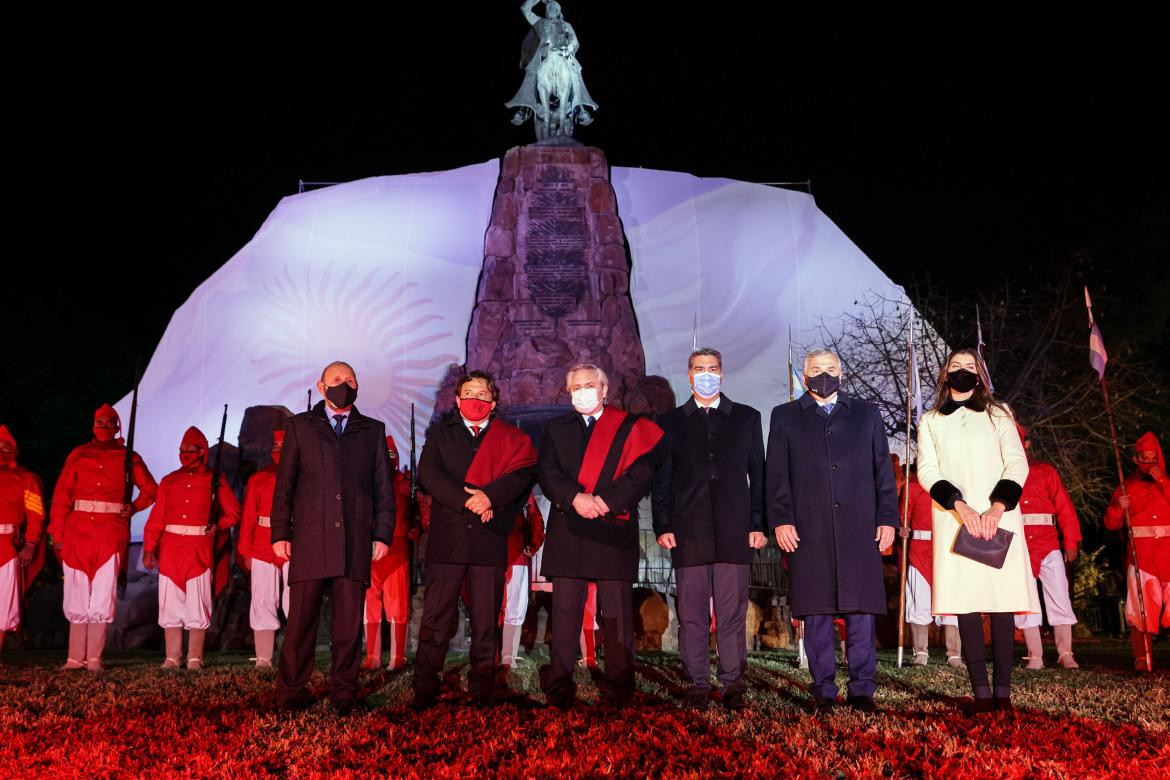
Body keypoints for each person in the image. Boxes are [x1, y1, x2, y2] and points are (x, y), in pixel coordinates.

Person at [766, 349, 898, 714]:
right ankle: (823, 690)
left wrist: (888, 518)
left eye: (831, 369)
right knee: (817, 614)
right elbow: (776, 475)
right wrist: (781, 518)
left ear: (842, 373)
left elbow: (882, 473)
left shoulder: (866, 415)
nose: (824, 375)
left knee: (860, 615)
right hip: (809, 531)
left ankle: (862, 691)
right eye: (816, 370)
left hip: (860, 530)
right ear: (804, 376)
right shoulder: (785, 416)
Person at [916, 348, 1038, 713]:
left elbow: (1016, 461)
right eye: (956, 366)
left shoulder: (999, 414)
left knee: (1001, 605)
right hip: (957, 519)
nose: (964, 372)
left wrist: (998, 506)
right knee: (966, 604)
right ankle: (981, 694)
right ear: (944, 375)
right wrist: (960, 505)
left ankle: (1003, 692)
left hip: (999, 516)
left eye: (971, 367)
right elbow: (928, 470)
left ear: (980, 376)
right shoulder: (931, 420)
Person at [270, 361, 396, 714]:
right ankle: (291, 692)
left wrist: (382, 533)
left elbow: (383, 490)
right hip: (310, 538)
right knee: (301, 623)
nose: (344, 385)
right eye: (337, 380)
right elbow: (285, 487)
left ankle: (344, 694)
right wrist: (280, 532)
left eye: (350, 380)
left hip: (354, 540)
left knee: (347, 626)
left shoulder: (372, 430)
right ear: (321, 386)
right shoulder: (300, 427)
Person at [538, 363, 664, 709]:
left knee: (617, 617)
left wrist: (606, 502)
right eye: (576, 386)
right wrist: (575, 498)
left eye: (589, 385)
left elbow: (642, 473)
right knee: (564, 616)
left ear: (605, 389)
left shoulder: (628, 427)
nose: (582, 390)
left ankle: (619, 687)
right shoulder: (555, 428)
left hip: (613, 527)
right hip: (570, 528)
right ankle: (559, 687)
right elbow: (547, 473)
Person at [412, 371, 538, 709]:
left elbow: (523, 475)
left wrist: (491, 498)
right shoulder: (440, 435)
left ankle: (482, 685)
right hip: (448, 540)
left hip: (489, 538)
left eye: (483, 394)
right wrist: (470, 499)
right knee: (436, 617)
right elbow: (428, 476)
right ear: (457, 400)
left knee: (486, 618)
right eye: (469, 392)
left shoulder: (510, 438)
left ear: (493, 402)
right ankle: (425, 684)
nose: (476, 399)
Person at [652, 348, 766, 711]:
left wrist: (758, 522)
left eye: (712, 368)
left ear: (722, 373)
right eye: (699, 369)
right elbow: (662, 478)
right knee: (691, 614)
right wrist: (663, 523)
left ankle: (732, 684)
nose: (706, 374)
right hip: (689, 531)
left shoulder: (747, 418)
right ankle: (697, 684)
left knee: (732, 614)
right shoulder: (669, 422)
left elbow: (759, 475)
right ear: (688, 376)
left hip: (735, 531)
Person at [49, 404, 157, 671]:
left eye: (110, 423)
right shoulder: (79, 454)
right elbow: (62, 497)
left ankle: (95, 658)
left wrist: (134, 506)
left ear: (117, 426)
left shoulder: (128, 457)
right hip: (78, 532)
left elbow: (150, 489)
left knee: (102, 593)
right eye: (100, 422)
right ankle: (74, 658)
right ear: (93, 426)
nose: (105, 427)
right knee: (76, 593)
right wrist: (58, 535)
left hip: (109, 533)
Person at [142, 426, 241, 669]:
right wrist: (148, 549)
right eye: (181, 450)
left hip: (199, 549)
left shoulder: (216, 481)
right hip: (172, 550)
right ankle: (172, 657)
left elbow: (234, 512)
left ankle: (195, 657)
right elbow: (156, 519)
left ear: (202, 451)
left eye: (190, 450)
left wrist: (218, 526)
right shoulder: (169, 481)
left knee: (198, 604)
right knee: (170, 604)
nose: (185, 454)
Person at [1015, 426, 1083, 669]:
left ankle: (1065, 652)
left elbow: (1064, 508)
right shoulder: (1001, 476)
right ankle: (1035, 655)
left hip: (1048, 542)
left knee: (1059, 595)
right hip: (1019, 546)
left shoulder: (1045, 471)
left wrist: (1071, 541)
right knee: (1024, 600)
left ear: (1027, 444)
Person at [1104, 431, 1170, 671]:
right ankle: (1142, 656)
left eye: (1153, 458)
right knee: (1141, 610)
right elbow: (1111, 524)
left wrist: (1162, 480)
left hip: (1168, 553)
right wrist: (1118, 508)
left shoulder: (1168, 484)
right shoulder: (1126, 486)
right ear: (1136, 459)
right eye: (1144, 458)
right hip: (1142, 556)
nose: (1148, 463)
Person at [899, 462, 963, 667]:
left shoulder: (955, 486)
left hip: (949, 553)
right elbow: (902, 518)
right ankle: (921, 652)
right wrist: (901, 528)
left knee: (951, 605)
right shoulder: (913, 487)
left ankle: (954, 653)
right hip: (920, 552)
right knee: (920, 602)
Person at [361, 434, 415, 672]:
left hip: (397, 549)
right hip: (370, 549)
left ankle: (397, 657)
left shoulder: (405, 483)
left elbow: (416, 515)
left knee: (397, 606)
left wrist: (416, 528)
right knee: (370, 604)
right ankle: (372, 656)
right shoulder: (365, 483)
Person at [238, 430, 288, 669]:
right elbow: (248, 517)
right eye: (275, 446)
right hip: (262, 544)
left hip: (294, 543)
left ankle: (296, 656)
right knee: (262, 599)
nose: (279, 451)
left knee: (296, 601)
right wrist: (245, 551)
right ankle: (264, 658)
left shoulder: (307, 477)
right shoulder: (258, 479)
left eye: (284, 446)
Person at [0, 425, 46, 660]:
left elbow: (36, 514)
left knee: (1, 605)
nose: (2, 452)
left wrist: (30, 544)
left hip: (7, 548)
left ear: (15, 452)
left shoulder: (26, 478)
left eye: (6, 448)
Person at [501, 493, 544, 668]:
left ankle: (509, 654)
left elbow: (536, 518)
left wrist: (533, 543)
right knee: (508, 605)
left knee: (518, 605)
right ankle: (504, 654)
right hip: (504, 554)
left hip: (520, 555)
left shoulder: (526, 492)